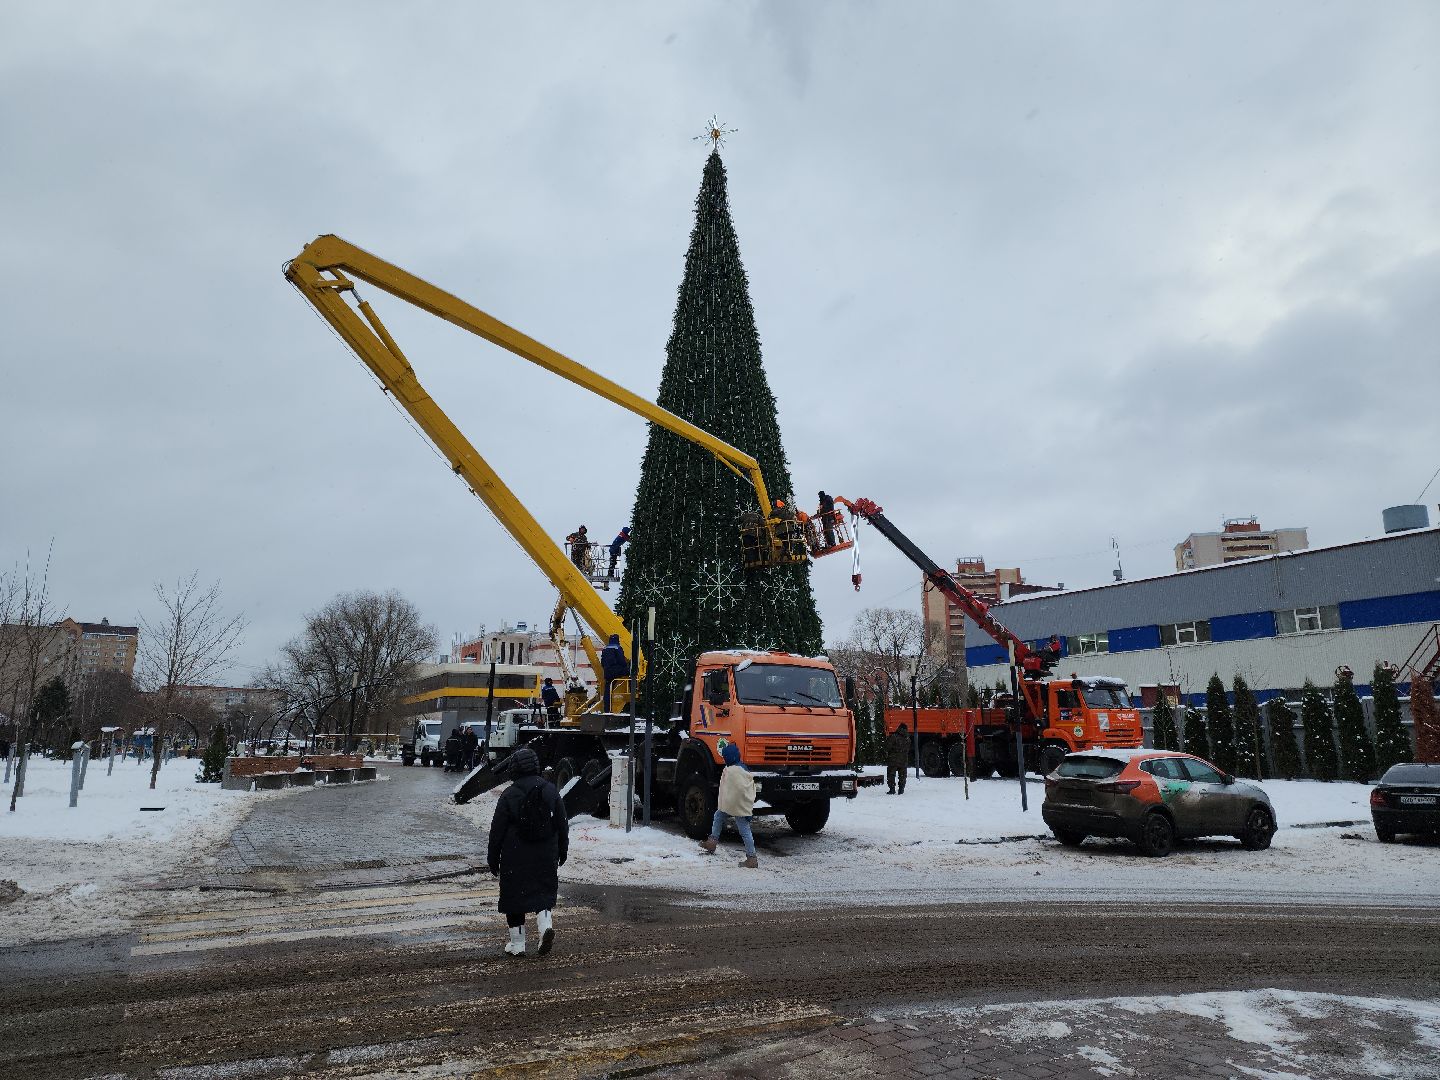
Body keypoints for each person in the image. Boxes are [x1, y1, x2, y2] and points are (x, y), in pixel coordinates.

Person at [487, 747, 568, 957]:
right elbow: (562, 824)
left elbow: (497, 830)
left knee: (514, 899)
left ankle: (518, 944)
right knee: (543, 894)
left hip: (515, 855)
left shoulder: (509, 794)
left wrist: (493, 858)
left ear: (514, 768)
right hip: (545, 853)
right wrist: (562, 850)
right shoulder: (550, 790)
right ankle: (545, 927)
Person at [700, 742, 759, 868]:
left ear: (728, 758)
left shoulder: (730, 770)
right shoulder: (743, 768)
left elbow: (727, 788)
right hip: (739, 804)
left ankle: (752, 858)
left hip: (732, 803)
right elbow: (747, 788)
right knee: (720, 816)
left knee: (742, 828)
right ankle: (712, 842)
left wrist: (729, 801)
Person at [600, 633, 630, 712]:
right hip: (616, 670)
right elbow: (621, 661)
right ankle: (632, 688)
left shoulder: (605, 649)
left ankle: (607, 709)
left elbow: (602, 662)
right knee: (630, 672)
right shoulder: (617, 648)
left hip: (607, 672)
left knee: (608, 690)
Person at [886, 722, 912, 794]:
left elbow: (887, 746)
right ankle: (901, 789)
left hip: (893, 759)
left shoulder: (894, 737)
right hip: (903, 760)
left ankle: (892, 789)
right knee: (902, 776)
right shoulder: (908, 739)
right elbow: (908, 749)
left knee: (891, 775)